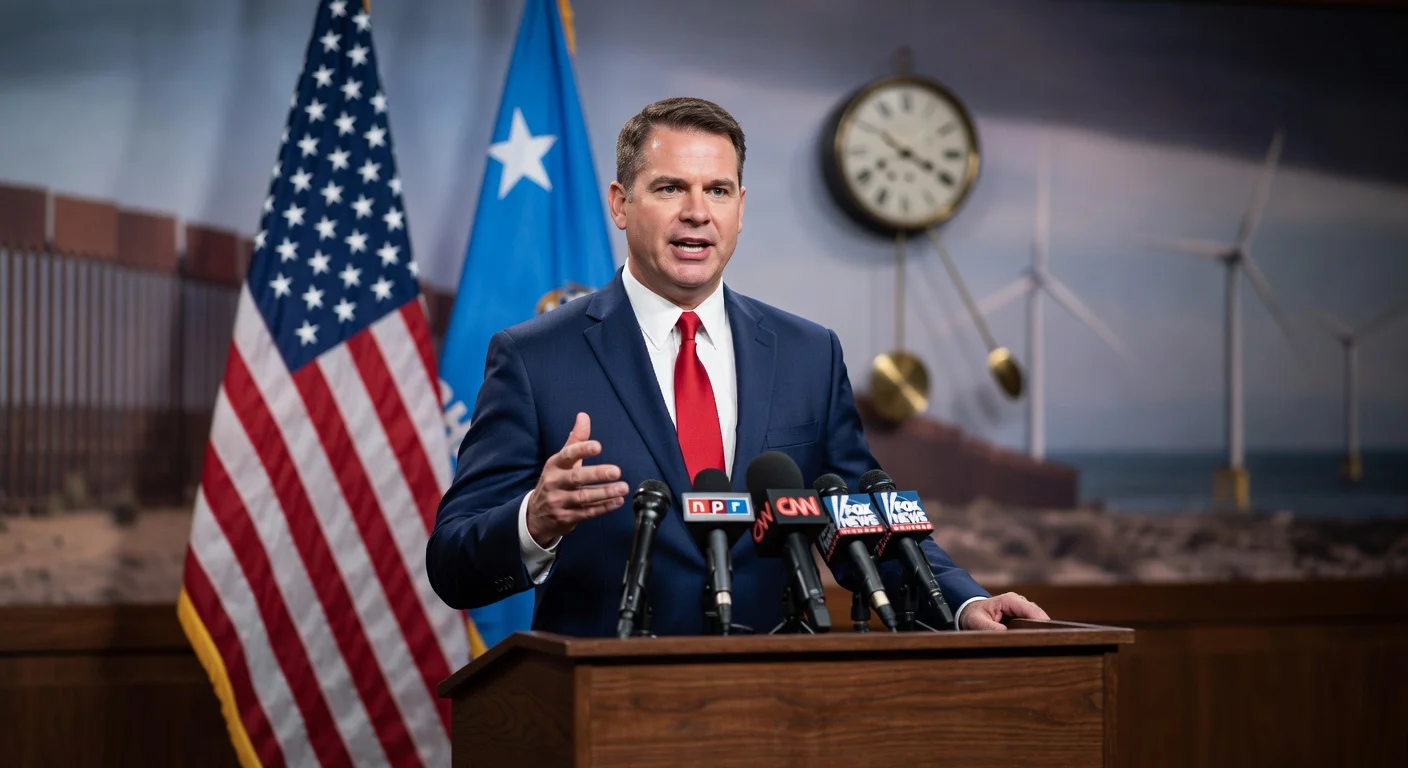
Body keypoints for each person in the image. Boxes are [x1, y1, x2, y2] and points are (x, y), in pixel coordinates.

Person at [427, 97, 1048, 637]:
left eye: (717, 190)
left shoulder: (808, 353)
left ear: (740, 208)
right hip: (607, 703)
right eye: (670, 188)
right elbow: (453, 563)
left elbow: (863, 520)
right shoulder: (536, 357)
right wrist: (534, 520)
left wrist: (964, 602)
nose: (697, 212)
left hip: (776, 700)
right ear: (620, 204)